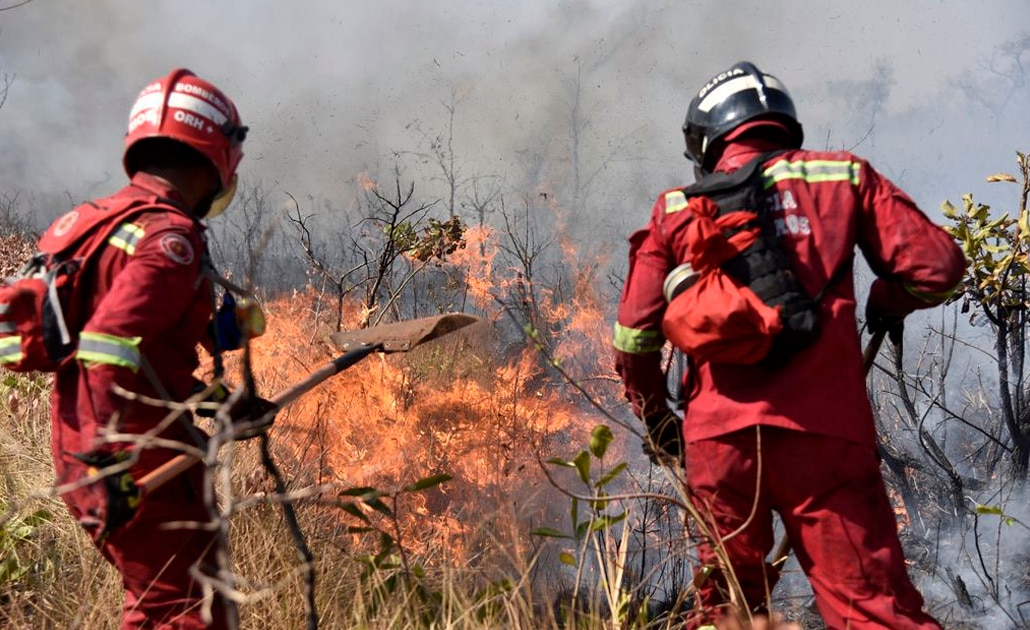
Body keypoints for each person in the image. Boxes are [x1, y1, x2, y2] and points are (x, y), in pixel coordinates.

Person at [612, 61, 964, 629]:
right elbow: (939, 269)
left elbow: (634, 335)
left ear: (706, 140)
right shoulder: (843, 177)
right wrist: (889, 300)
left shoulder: (676, 209)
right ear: (781, 124)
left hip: (720, 446)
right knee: (875, 612)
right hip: (824, 437)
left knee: (726, 612)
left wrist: (658, 421)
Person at [49, 68, 249, 629]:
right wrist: (108, 460)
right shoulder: (170, 239)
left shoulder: (97, 225)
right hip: (130, 454)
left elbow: (148, 360)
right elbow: (106, 345)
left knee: (159, 605)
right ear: (217, 154)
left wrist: (217, 404)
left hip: (97, 442)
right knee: (189, 614)